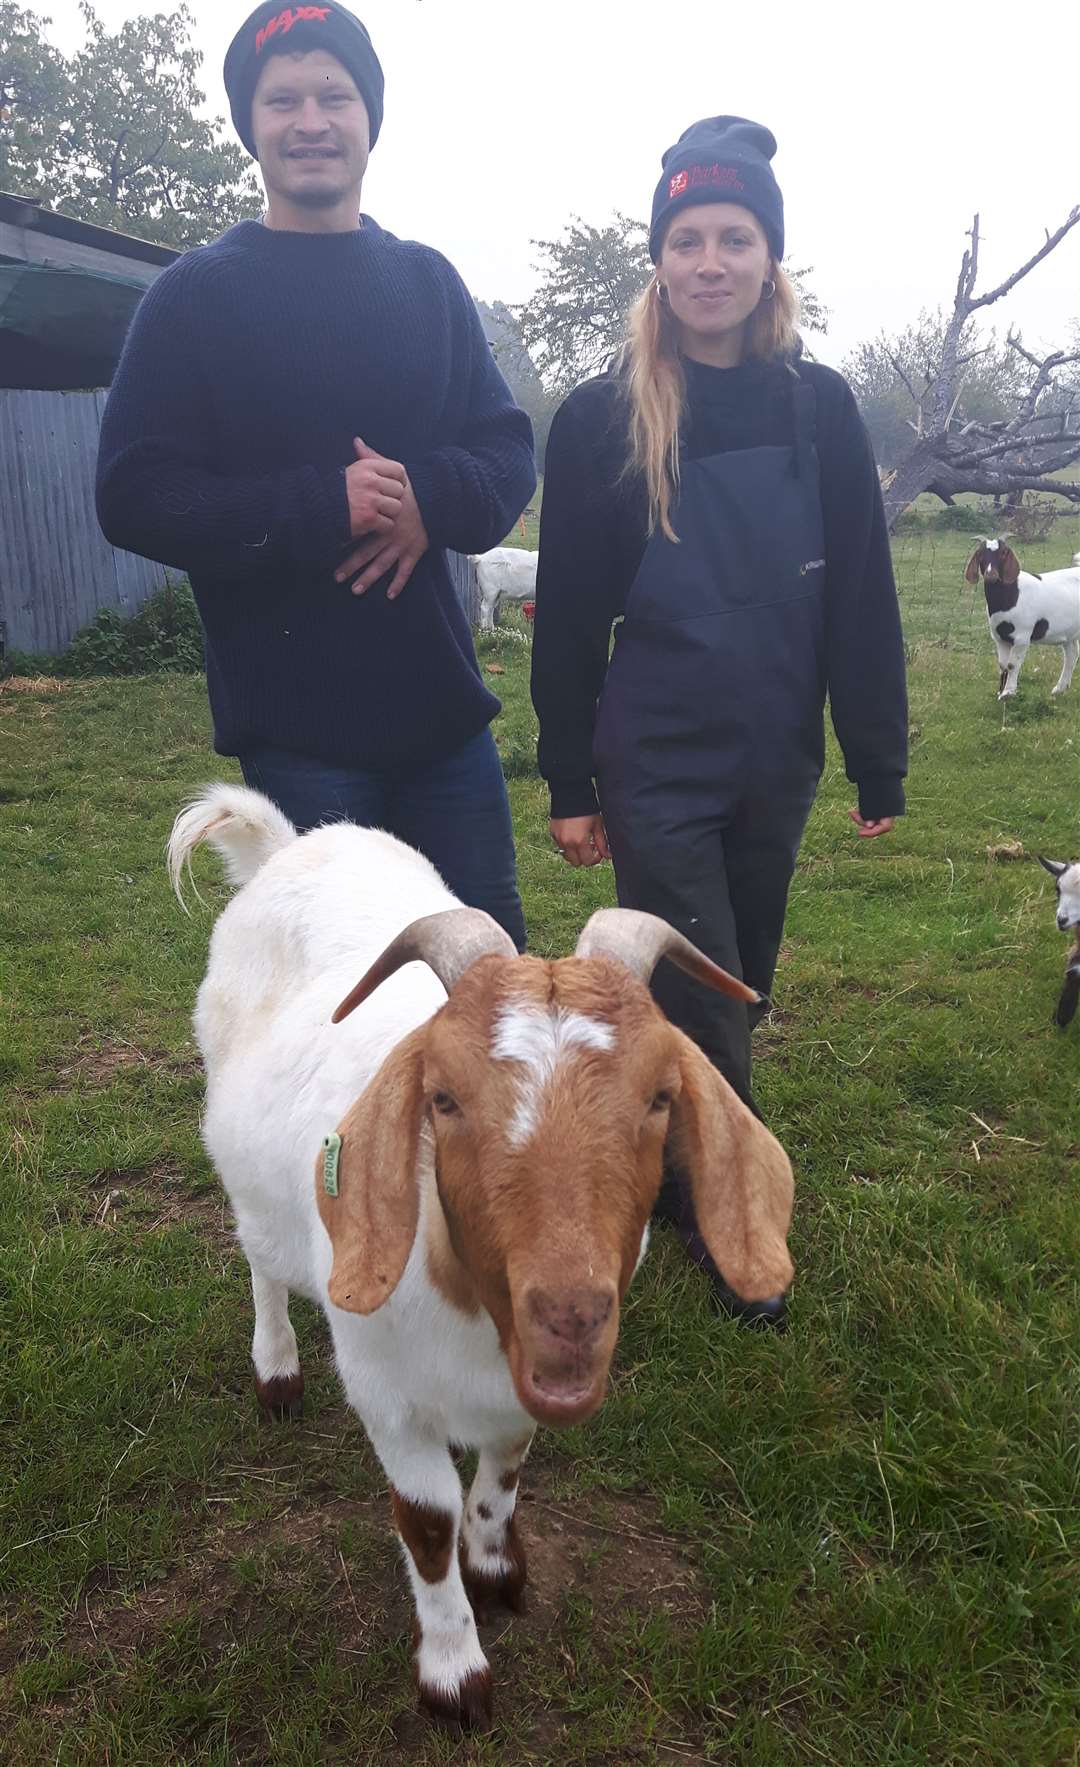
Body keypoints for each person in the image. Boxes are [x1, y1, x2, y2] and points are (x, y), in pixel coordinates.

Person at [531, 116, 908, 1324]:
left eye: (732, 237)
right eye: (685, 240)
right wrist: (568, 780)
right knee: (703, 987)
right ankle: (731, 1216)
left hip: (774, 752)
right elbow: (568, 619)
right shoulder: (600, 420)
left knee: (742, 978)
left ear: (768, 258)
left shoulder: (820, 409)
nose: (708, 261)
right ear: (658, 261)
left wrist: (877, 757)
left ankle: (672, 1142)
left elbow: (859, 591)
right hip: (654, 753)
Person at [97, 1, 535, 950]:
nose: (310, 120)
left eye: (334, 95)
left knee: (490, 986)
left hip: (444, 723)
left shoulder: (427, 283)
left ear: (369, 118)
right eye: (281, 98)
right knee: (343, 1000)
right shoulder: (196, 296)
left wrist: (432, 495)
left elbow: (507, 450)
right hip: (298, 737)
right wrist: (318, 505)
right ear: (251, 124)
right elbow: (133, 491)